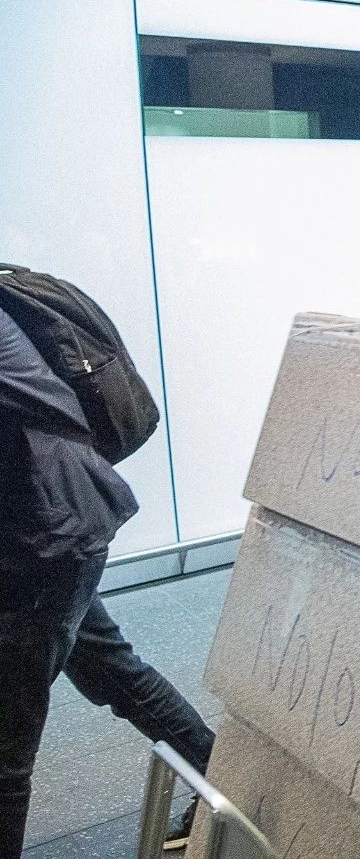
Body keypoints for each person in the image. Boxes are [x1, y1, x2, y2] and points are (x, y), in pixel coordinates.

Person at [0, 307, 215, 857]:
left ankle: (219, 775)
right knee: (110, 668)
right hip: (46, 521)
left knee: (6, 746)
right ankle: (217, 771)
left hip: (44, 535)